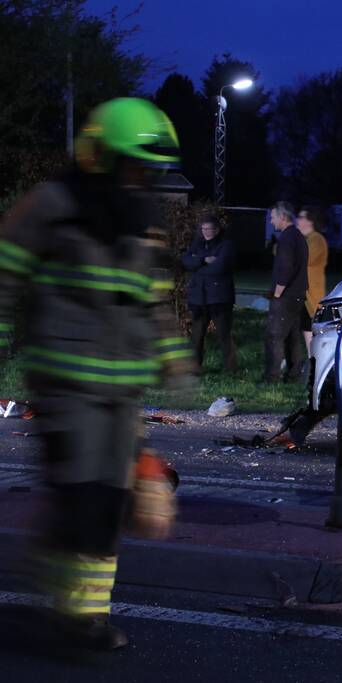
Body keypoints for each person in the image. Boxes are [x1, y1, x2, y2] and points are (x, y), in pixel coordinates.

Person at [0, 98, 196, 649]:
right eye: (135, 165)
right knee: (82, 498)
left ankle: (85, 616)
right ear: (102, 157)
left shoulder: (139, 219)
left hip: (121, 388)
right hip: (65, 384)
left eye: (149, 169)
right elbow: (4, 277)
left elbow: (151, 297)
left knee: (112, 504)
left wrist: (171, 351)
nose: (143, 178)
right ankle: (66, 610)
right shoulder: (50, 206)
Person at [181, 217, 237, 373]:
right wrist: (204, 260)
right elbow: (185, 261)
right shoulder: (198, 243)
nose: (205, 232)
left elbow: (219, 268)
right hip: (199, 300)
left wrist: (196, 264)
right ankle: (194, 368)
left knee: (224, 335)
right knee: (197, 337)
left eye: (209, 229)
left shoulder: (226, 245)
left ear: (217, 230)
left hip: (219, 300)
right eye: (203, 229)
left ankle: (230, 369)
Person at [263, 200, 308, 383]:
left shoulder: (287, 239)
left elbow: (285, 268)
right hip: (297, 295)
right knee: (293, 338)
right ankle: (293, 375)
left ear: (282, 217)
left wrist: (277, 293)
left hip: (286, 296)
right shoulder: (298, 237)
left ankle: (271, 377)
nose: (271, 221)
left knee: (274, 336)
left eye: (273, 217)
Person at [296, 205, 328, 355]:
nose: (298, 220)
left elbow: (303, 259)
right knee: (297, 329)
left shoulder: (317, 240)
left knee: (309, 329)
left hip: (311, 296)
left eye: (301, 217)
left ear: (310, 221)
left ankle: (312, 362)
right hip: (300, 293)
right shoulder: (304, 239)